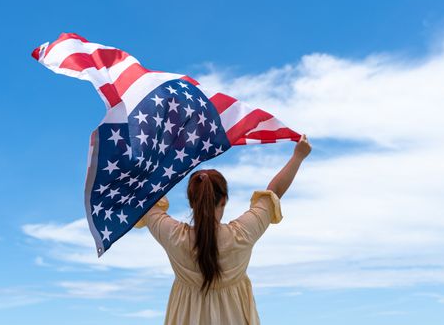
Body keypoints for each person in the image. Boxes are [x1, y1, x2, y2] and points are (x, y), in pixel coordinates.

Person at [134, 134, 312, 324]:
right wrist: (297, 156)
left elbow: (147, 201)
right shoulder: (242, 234)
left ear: (192, 202)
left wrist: (138, 156)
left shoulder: (174, 236)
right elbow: (273, 192)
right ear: (224, 199)